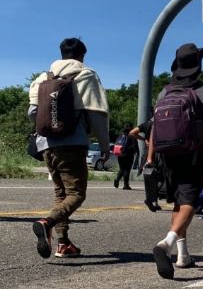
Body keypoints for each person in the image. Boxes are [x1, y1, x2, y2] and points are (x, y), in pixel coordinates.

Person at [147, 43, 203, 278]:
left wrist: (150, 157)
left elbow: (154, 129)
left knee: (177, 203)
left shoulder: (165, 92)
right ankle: (166, 243)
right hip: (192, 154)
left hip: (166, 155)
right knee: (190, 202)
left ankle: (183, 256)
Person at [28, 38, 110, 259]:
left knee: (61, 193)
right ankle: (47, 222)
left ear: (61, 53)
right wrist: (104, 145)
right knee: (76, 194)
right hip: (73, 143)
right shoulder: (86, 75)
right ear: (82, 56)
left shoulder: (43, 78)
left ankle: (63, 243)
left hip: (47, 144)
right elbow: (96, 113)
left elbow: (32, 113)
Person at [130, 119, 162, 212]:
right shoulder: (162, 122)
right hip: (160, 152)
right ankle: (153, 200)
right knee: (160, 177)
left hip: (148, 152)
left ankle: (152, 200)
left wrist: (144, 139)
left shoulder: (147, 124)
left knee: (150, 176)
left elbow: (132, 133)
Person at [114, 125, 138, 190]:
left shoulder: (120, 135)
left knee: (122, 168)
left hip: (120, 154)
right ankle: (126, 185)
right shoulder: (132, 136)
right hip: (128, 155)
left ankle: (117, 179)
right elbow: (135, 146)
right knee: (127, 170)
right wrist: (137, 152)